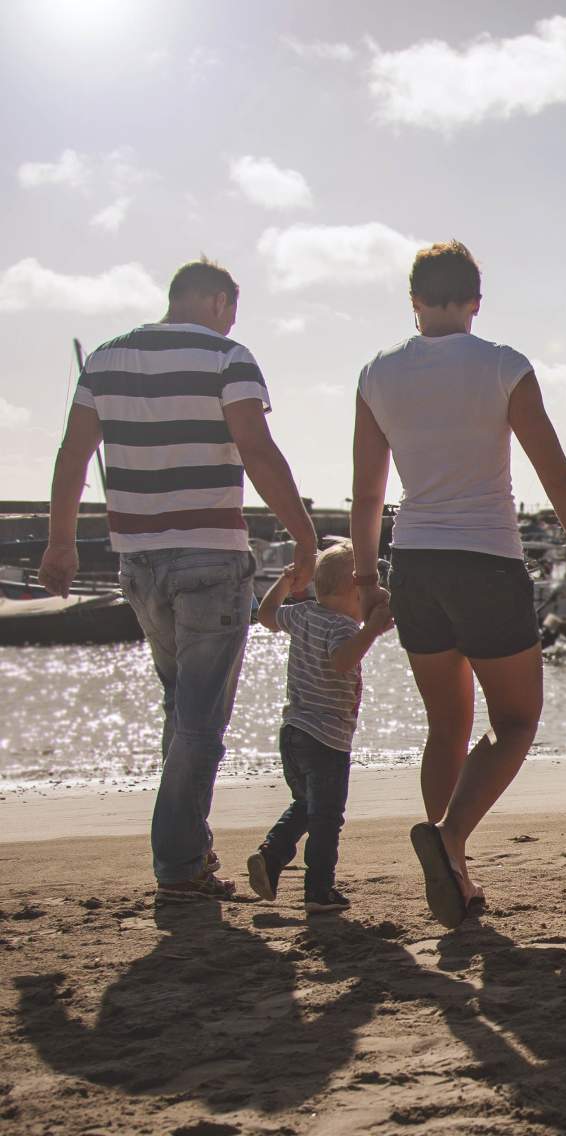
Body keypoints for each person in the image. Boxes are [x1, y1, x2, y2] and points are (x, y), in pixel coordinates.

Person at [350, 240, 566, 929]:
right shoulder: (502, 365)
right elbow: (557, 475)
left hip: (414, 564)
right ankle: (449, 841)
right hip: (486, 563)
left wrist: (363, 575)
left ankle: (455, 879)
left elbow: (366, 492)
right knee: (518, 722)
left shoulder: (377, 375)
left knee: (447, 725)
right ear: (475, 301)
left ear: (414, 303)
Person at [39, 257, 317, 903]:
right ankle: (177, 862)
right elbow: (256, 448)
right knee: (199, 718)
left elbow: (72, 455)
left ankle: (190, 852)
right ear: (218, 301)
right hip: (211, 559)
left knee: (180, 705)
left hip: (137, 561)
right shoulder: (228, 356)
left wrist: (60, 543)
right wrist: (304, 536)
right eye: (232, 310)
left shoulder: (105, 359)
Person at [247, 541, 392, 913]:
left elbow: (265, 616)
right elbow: (343, 660)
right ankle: (318, 890)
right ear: (353, 592)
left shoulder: (303, 614)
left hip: (293, 731)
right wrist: (372, 631)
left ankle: (272, 855)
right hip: (326, 740)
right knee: (327, 818)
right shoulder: (343, 628)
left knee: (306, 804)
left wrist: (284, 584)